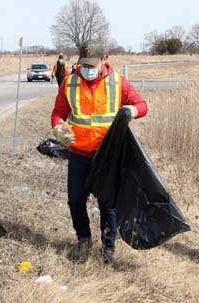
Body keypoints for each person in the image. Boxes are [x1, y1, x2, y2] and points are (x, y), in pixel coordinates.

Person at [51, 45, 148, 265]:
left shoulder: (118, 82)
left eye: (91, 65)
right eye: (83, 65)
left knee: (107, 204)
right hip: (78, 154)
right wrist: (58, 128)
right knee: (75, 200)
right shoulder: (70, 82)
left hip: (107, 156)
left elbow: (142, 105)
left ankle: (108, 249)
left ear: (105, 59)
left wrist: (131, 111)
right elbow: (58, 112)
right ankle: (84, 240)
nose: (87, 70)